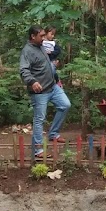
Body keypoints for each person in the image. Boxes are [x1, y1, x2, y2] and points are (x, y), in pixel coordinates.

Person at [20, 26, 70, 157]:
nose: (43, 38)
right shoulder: (27, 51)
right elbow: (24, 70)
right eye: (41, 36)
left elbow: (44, 63)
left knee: (65, 105)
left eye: (44, 35)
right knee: (39, 119)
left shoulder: (41, 46)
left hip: (53, 86)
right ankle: (38, 150)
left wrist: (52, 66)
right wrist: (32, 81)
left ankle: (53, 134)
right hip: (40, 91)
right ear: (33, 36)